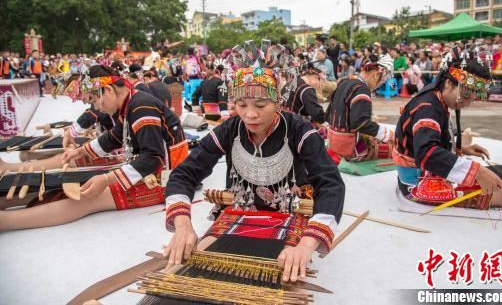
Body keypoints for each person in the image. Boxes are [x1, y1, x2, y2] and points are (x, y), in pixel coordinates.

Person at [163, 41, 345, 283]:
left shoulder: (299, 130)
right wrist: (184, 225)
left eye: (260, 105)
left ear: (278, 101)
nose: (249, 114)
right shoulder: (230, 129)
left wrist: (305, 246)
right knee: (191, 273)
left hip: (289, 217)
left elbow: (331, 184)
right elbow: (184, 174)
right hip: (238, 214)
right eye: (241, 105)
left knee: (277, 278)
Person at [0, 65, 188, 231]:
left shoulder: (140, 106)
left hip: (166, 179)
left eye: (94, 100)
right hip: (150, 171)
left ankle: (6, 221)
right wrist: (80, 151)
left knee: (87, 197)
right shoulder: (131, 104)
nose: (96, 107)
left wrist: (106, 179)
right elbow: (114, 138)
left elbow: (153, 158)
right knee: (82, 183)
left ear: (108, 90)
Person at [394, 47, 502, 213]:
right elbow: (426, 154)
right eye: (464, 96)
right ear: (449, 83)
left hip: (423, 170)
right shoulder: (428, 108)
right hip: (417, 182)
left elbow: (423, 142)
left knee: (497, 177)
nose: (467, 104)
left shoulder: (436, 96)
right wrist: (477, 172)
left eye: (472, 99)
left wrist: (462, 149)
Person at [326, 54, 395, 162]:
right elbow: (360, 123)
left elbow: (328, 114)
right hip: (350, 149)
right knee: (393, 147)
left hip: (333, 142)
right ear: (376, 75)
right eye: (381, 83)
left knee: (373, 137)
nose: (378, 86)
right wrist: (388, 135)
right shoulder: (362, 89)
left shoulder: (344, 81)